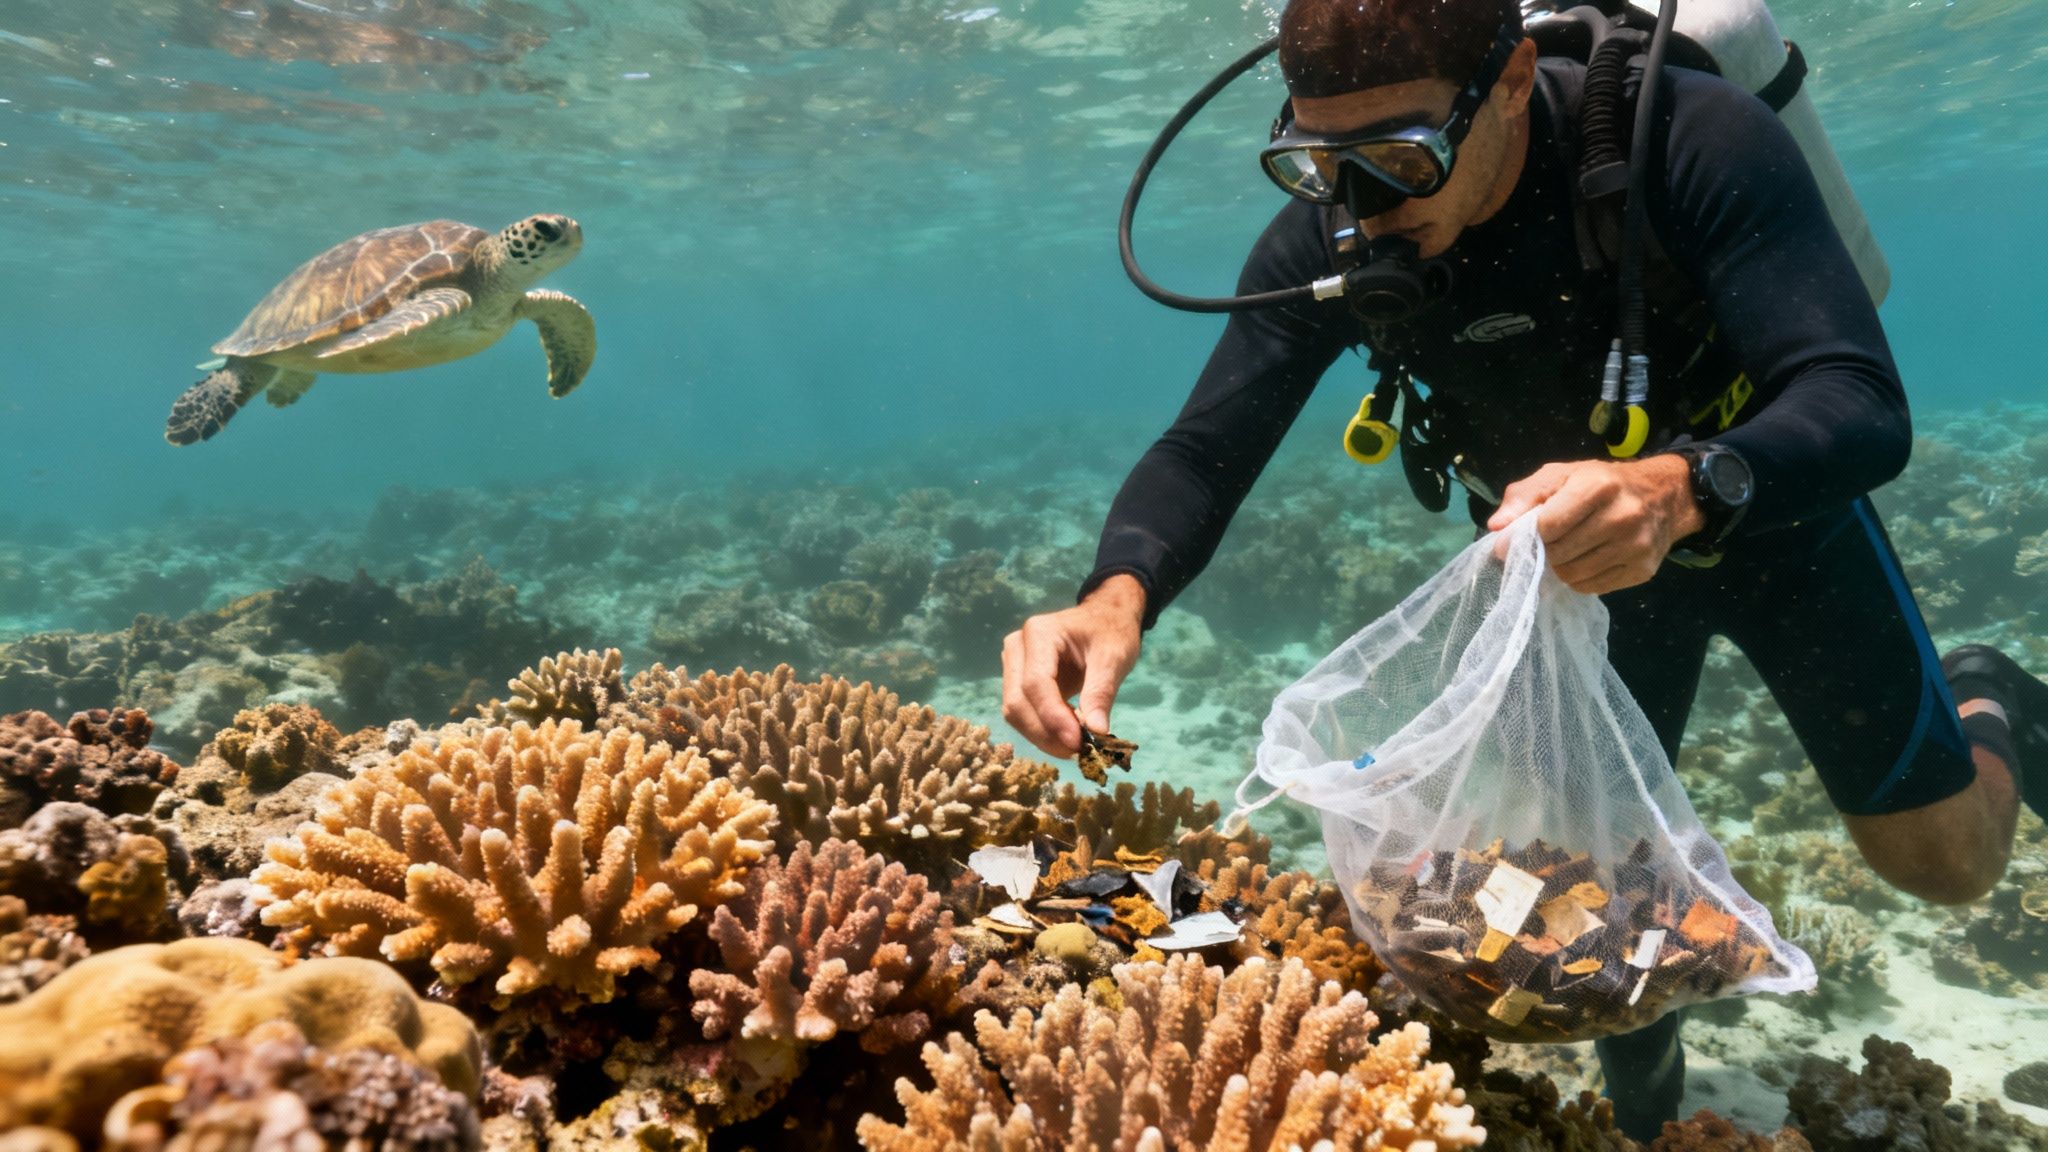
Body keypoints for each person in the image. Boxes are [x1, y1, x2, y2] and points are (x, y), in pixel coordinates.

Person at [1000, 0, 2048, 1139]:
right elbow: (1205, 445)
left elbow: (1859, 400)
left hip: (1776, 530)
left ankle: (1987, 692)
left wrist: (1681, 483)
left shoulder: (1689, 139)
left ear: (1504, 80)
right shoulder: (1337, 234)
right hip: (1568, 589)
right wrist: (1115, 597)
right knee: (1567, 897)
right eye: (1317, 165)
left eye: (1400, 158)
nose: (1364, 210)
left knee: (1944, 869)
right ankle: (1643, 1092)